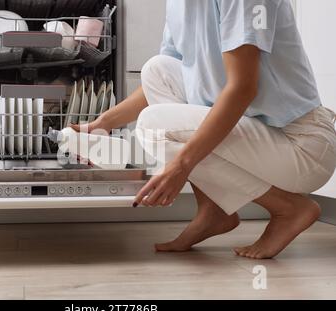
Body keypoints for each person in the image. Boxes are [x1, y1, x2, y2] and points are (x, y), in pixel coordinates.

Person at [72, 0, 336, 259]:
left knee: (153, 125)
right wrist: (102, 124)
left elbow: (243, 88)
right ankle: (213, 209)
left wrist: (181, 165)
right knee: (157, 70)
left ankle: (288, 208)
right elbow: (163, 83)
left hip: (300, 144)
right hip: (260, 132)